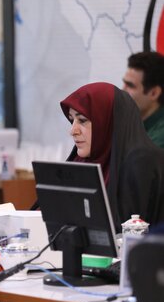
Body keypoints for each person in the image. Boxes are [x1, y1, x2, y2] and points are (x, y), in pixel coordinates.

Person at [61, 82, 164, 228]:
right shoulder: (82, 160)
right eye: (72, 120)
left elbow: (129, 232)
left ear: (108, 121)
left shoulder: (141, 161)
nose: (73, 131)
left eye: (82, 120)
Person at [122, 51, 164, 149]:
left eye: (130, 86)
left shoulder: (159, 139)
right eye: (124, 83)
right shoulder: (132, 124)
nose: (122, 90)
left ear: (154, 93)